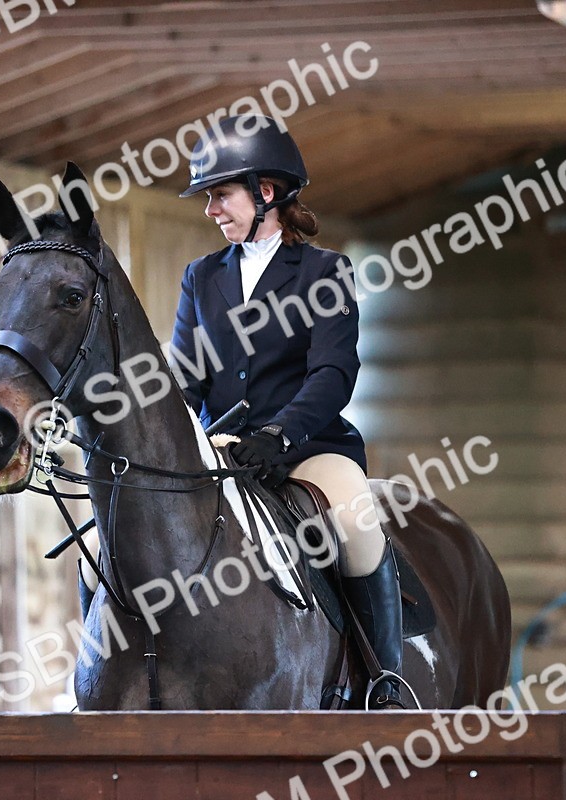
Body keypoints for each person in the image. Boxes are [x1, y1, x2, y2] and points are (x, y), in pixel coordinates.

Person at [169, 115, 405, 709]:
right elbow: (188, 376)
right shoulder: (201, 277)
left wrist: (280, 434)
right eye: (209, 198)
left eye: (221, 195)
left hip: (308, 451)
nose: (211, 210)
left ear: (265, 193)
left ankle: (385, 681)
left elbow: (333, 374)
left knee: (354, 520)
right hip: (224, 452)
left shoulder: (325, 272)